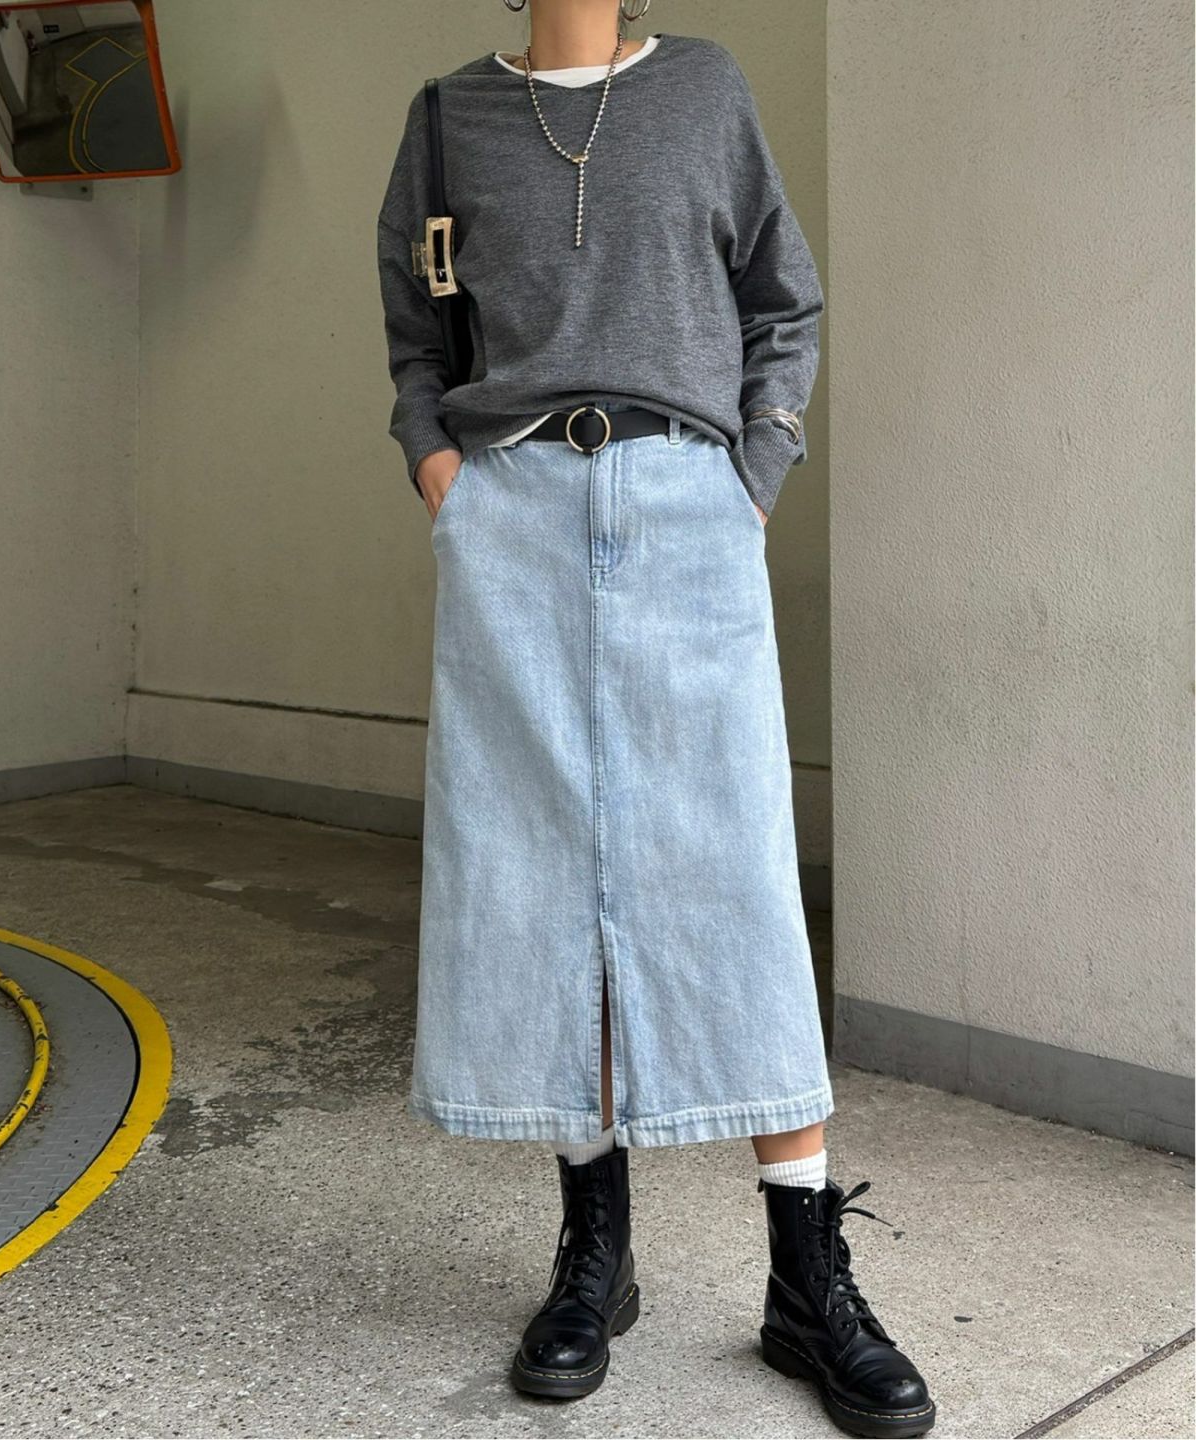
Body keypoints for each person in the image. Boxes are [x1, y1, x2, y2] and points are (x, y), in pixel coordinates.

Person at [376, 3, 936, 1435]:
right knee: (537, 871)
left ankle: (806, 1273)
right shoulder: (449, 114)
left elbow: (783, 300)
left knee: (735, 868)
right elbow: (415, 327)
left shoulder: (702, 90)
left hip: (690, 501)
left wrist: (755, 470)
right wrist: (440, 470)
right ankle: (593, 1253)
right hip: (512, 514)